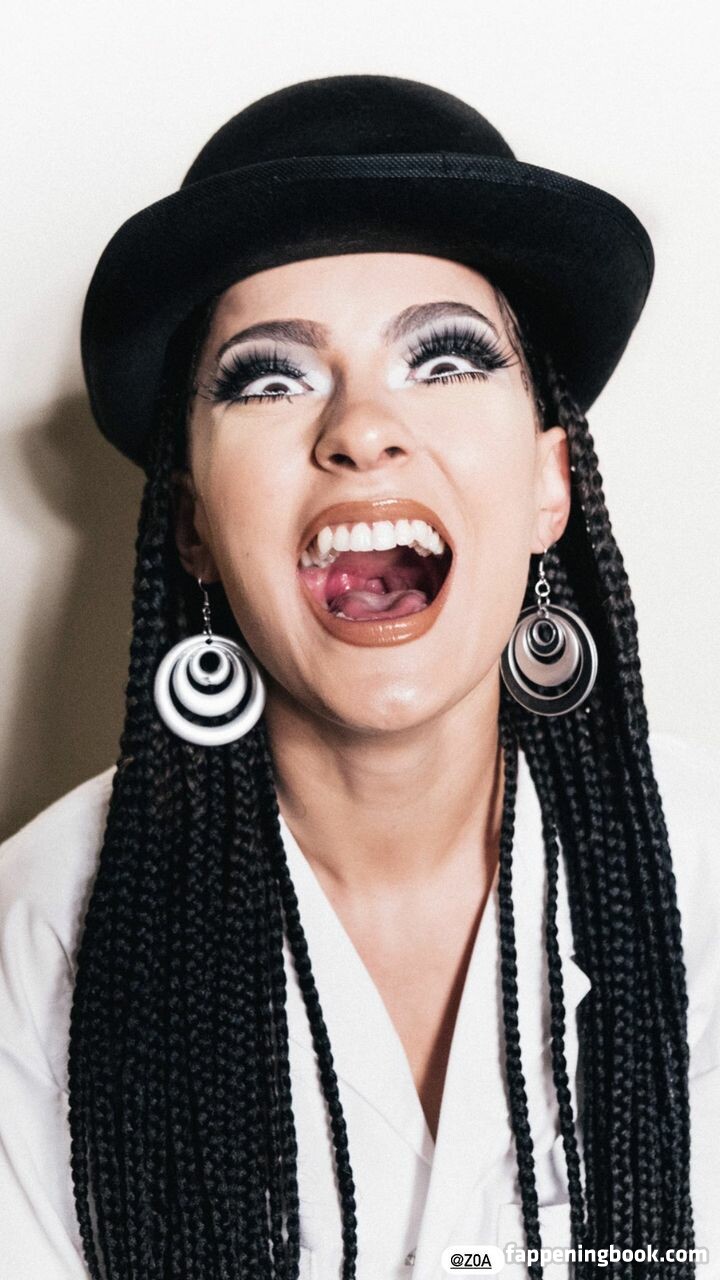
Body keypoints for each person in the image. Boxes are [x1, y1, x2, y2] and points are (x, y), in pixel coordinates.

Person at [1, 74, 718, 1280]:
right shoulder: (34, 943)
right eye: (269, 378)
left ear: (550, 483)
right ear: (191, 522)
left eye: (445, 358)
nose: (361, 427)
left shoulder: (704, 876)